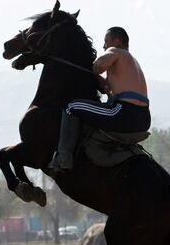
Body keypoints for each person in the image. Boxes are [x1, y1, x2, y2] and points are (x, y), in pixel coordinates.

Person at [48, 27, 151, 172]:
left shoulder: (116, 51)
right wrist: (95, 76)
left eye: (106, 42)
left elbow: (100, 65)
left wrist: (93, 65)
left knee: (71, 107)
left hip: (123, 114)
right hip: (144, 118)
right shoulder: (132, 63)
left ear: (117, 41)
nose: (104, 46)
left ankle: (63, 158)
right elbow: (106, 88)